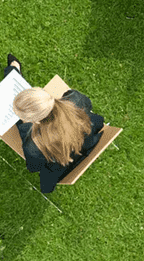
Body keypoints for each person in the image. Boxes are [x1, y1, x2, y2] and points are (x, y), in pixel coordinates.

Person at [6, 54, 104, 193]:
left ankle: (13, 70)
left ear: (37, 121)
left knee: (23, 129)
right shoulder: (74, 100)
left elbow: (33, 168)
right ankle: (14, 69)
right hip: (88, 139)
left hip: (60, 166)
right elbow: (87, 103)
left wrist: (25, 126)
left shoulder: (33, 146)